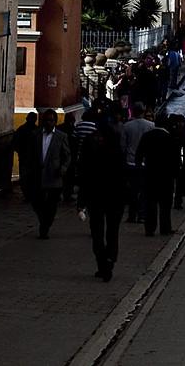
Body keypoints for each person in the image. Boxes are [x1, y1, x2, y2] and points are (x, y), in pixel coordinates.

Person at [79, 108, 129, 282]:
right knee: (113, 232)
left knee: (97, 232)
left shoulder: (89, 142)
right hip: (115, 195)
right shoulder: (116, 144)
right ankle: (109, 259)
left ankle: (102, 262)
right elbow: (123, 172)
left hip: (95, 195)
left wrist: (81, 200)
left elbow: (83, 172)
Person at [20, 110, 71, 238]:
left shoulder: (61, 136)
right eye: (47, 120)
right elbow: (29, 154)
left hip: (54, 175)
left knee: (52, 204)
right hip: (37, 175)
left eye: (51, 120)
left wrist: (63, 168)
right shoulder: (35, 135)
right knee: (37, 202)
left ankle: (45, 226)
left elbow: (67, 155)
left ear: (55, 121)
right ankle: (44, 221)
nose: (49, 123)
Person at [140, 118, 180, 236]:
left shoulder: (146, 136)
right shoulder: (170, 138)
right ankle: (165, 228)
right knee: (165, 204)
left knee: (150, 203)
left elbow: (139, 155)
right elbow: (176, 159)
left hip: (150, 174)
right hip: (166, 176)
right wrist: (176, 174)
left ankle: (150, 228)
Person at [119, 103, 156, 224]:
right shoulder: (151, 125)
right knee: (144, 191)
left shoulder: (127, 126)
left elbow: (123, 146)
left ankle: (132, 215)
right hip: (146, 163)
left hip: (131, 162)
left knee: (132, 191)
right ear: (143, 111)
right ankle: (142, 215)